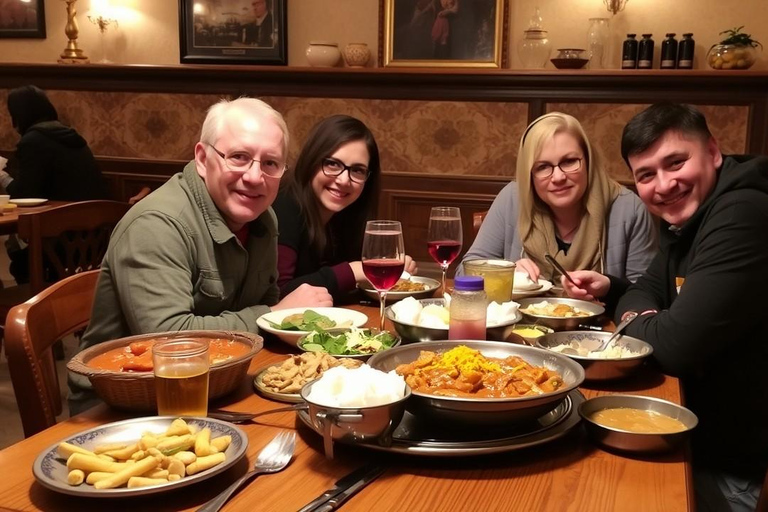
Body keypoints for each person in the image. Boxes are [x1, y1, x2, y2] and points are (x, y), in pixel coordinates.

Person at [563, 103, 768, 512]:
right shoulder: (689, 215)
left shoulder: (742, 213)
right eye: (646, 174)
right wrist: (620, 293)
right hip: (691, 428)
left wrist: (643, 320)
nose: (664, 184)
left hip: (734, 470)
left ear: (712, 152)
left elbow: (674, 346)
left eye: (676, 162)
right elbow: (645, 289)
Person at [80, 97, 332, 351]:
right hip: (129, 385)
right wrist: (274, 315)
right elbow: (168, 341)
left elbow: (265, 298)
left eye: (270, 163)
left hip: (223, 373)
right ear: (202, 158)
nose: (255, 177)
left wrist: (276, 313)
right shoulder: (156, 225)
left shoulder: (264, 217)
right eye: (239, 157)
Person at [460, 112, 657, 293]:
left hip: (602, 329)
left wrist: (609, 290)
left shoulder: (629, 209)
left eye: (569, 161)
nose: (558, 177)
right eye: (543, 167)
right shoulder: (513, 197)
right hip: (521, 328)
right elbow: (464, 272)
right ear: (529, 174)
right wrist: (504, 273)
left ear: (588, 160)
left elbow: (648, 295)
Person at [273, 115, 417, 302]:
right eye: (332, 164)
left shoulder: (349, 212)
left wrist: (391, 267)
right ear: (312, 161)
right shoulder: (284, 205)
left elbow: (345, 289)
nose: (343, 180)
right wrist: (354, 270)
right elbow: (278, 293)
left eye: (357, 170)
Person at [0, 85, 108, 284]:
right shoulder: (73, 137)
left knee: (18, 259)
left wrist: (1, 175)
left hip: (59, 246)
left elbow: (24, 196)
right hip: (92, 243)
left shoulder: (33, 141)